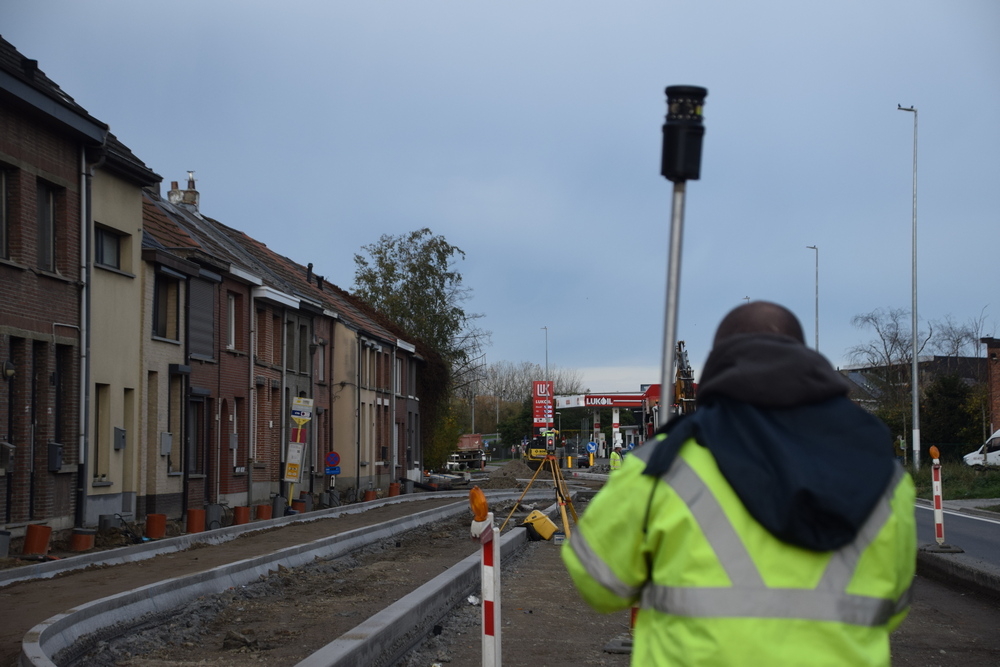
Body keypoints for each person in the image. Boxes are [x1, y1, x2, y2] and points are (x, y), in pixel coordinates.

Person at [562, 301, 916, 666]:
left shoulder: (663, 465)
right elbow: (893, 605)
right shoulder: (885, 479)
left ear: (720, 363)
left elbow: (597, 581)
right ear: (803, 358)